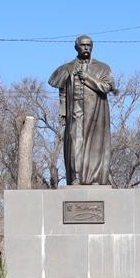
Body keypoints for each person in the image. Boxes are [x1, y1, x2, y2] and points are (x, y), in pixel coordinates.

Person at [48, 35, 116, 185]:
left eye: (89, 45)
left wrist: (88, 78)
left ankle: (95, 179)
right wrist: (63, 112)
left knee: (95, 145)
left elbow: (107, 87)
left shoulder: (103, 68)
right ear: (76, 47)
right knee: (75, 143)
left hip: (96, 112)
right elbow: (63, 91)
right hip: (75, 111)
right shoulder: (67, 68)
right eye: (83, 45)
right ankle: (75, 177)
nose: (86, 48)